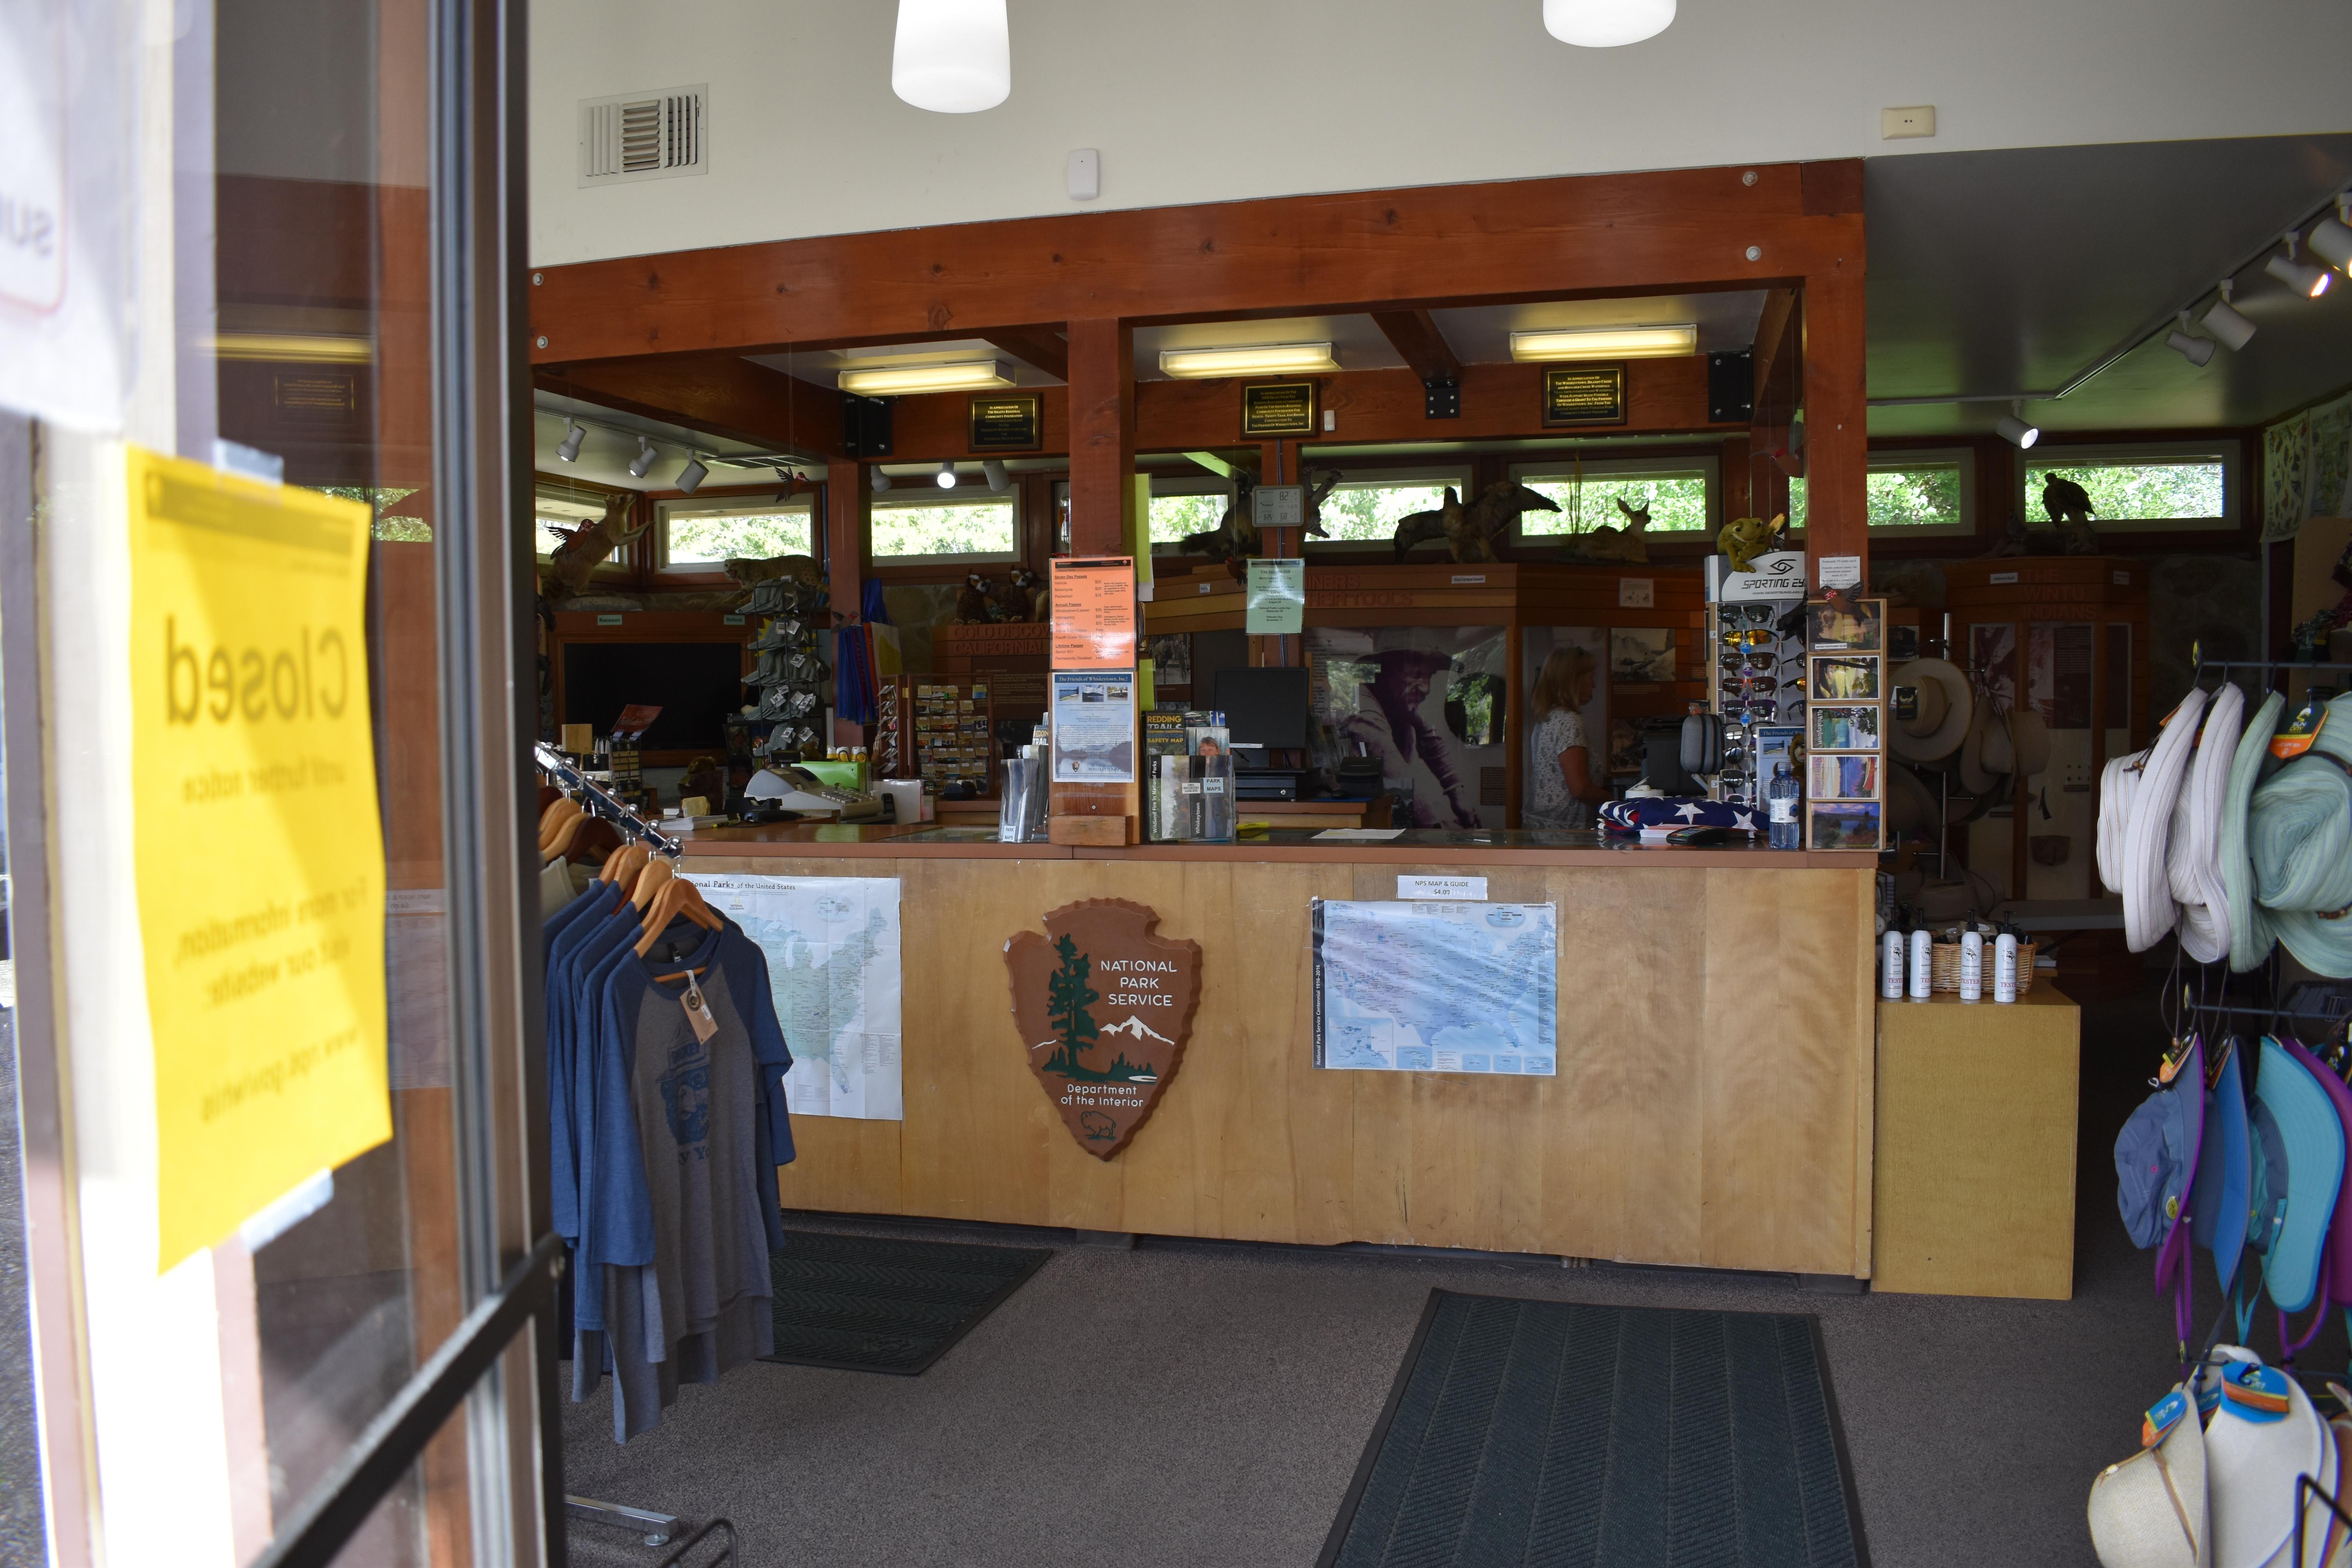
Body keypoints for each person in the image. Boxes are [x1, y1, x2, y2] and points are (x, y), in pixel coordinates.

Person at [1338, 648, 1480, 828]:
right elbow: (1398, 781)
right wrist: (1439, 829)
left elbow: (1428, 734)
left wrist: (1457, 792)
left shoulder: (1396, 703)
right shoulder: (1363, 712)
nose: (1426, 689)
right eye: (1417, 675)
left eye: (1430, 675)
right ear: (1387, 670)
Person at [1524, 644, 1604, 829]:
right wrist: (1619, 801)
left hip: (1543, 828)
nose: (1594, 684)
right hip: (1565, 831)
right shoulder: (1569, 721)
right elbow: (1580, 789)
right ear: (1574, 680)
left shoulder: (1548, 717)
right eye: (1591, 676)